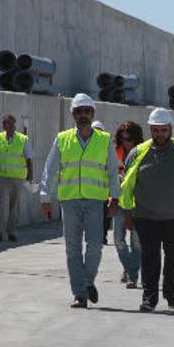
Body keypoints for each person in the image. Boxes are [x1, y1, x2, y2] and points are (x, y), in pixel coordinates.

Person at [120, 108, 174, 312]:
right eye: (156, 130)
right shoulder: (137, 153)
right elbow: (127, 185)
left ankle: (171, 293)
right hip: (145, 216)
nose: (160, 134)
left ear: (171, 129)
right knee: (149, 258)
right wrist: (127, 214)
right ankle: (149, 298)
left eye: (164, 130)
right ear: (150, 129)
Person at [39, 94, 121, 308]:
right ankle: (80, 293)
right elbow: (50, 168)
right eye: (79, 111)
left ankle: (87, 281)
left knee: (95, 246)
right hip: (70, 200)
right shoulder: (63, 138)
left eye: (87, 111)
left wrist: (115, 198)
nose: (83, 115)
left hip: (95, 201)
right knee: (72, 248)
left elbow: (113, 171)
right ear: (73, 114)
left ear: (92, 114)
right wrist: (45, 197)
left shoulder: (104, 140)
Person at [0, 114, 33, 242]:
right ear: (3, 125)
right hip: (2, 177)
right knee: (2, 204)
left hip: (17, 178)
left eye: (10, 124)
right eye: (5, 124)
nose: (8, 126)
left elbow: (29, 158)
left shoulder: (23, 139)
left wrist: (30, 174)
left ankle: (12, 231)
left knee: (14, 206)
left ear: (14, 125)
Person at [113, 121, 143, 289]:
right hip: (118, 201)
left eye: (129, 138)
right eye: (123, 138)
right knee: (118, 239)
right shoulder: (115, 152)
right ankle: (130, 268)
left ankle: (132, 275)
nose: (126, 142)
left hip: (137, 203)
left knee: (136, 242)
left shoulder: (141, 153)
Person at [92, 121, 113, 246]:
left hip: (104, 189)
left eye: (100, 131)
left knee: (105, 214)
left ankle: (103, 236)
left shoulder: (107, 146)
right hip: (90, 189)